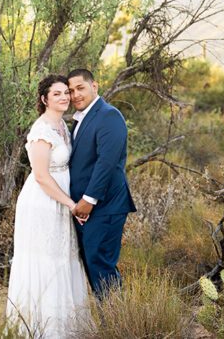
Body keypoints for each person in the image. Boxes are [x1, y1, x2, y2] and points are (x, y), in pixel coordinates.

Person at [5, 74, 90, 338]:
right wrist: (70, 204)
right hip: (44, 202)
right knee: (46, 261)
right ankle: (43, 330)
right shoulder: (40, 130)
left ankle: (68, 328)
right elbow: (41, 175)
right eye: (57, 93)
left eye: (66, 92)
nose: (65, 96)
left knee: (64, 258)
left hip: (63, 200)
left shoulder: (64, 126)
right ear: (44, 99)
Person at [67, 68, 137, 298]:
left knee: (102, 265)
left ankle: (119, 325)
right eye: (71, 90)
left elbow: (107, 162)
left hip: (105, 205)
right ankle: (111, 320)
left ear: (94, 86)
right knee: (93, 264)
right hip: (85, 209)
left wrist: (88, 200)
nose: (75, 95)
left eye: (80, 88)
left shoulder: (109, 115)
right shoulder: (81, 119)